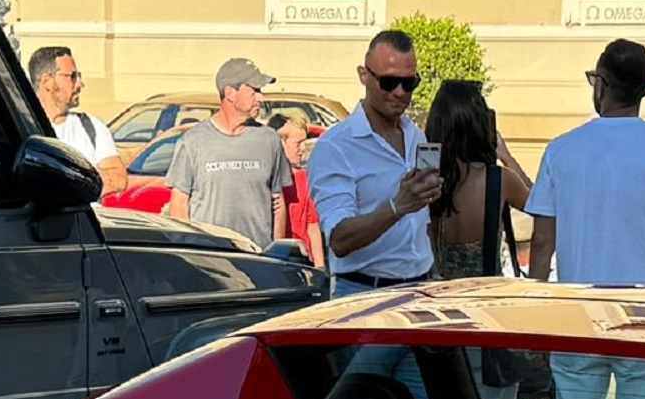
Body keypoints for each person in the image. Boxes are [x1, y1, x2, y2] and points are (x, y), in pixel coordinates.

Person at [527, 38, 645, 399]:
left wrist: (534, 316)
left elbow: (542, 242)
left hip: (576, 312)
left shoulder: (560, 148)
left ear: (600, 85)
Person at [310, 29, 441, 290]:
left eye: (409, 83)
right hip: (365, 290)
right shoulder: (336, 147)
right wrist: (397, 207)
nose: (400, 92)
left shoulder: (416, 135)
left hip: (421, 287)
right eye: (389, 83)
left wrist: (435, 272)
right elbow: (339, 240)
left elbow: (422, 219)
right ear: (364, 75)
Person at [163, 57, 293, 248]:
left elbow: (278, 202)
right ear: (230, 93)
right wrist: (190, 250)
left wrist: (276, 252)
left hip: (258, 258)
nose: (261, 98)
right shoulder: (194, 140)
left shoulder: (269, 140)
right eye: (254, 90)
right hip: (212, 259)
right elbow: (180, 203)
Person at [424, 79, 531, 281]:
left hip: (435, 294)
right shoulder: (499, 180)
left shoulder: (426, 179)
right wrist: (507, 157)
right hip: (484, 294)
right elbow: (540, 204)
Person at [27, 45, 129, 196]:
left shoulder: (91, 127)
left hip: (84, 218)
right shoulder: (24, 128)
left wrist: (73, 177)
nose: (80, 84)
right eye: (72, 77)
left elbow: (120, 179)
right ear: (47, 81)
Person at [275, 116, 326, 268]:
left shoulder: (305, 177)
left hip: (304, 259)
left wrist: (320, 266)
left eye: (305, 141)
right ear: (280, 144)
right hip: (280, 257)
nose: (303, 149)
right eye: (298, 143)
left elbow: (312, 224)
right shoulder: (270, 179)